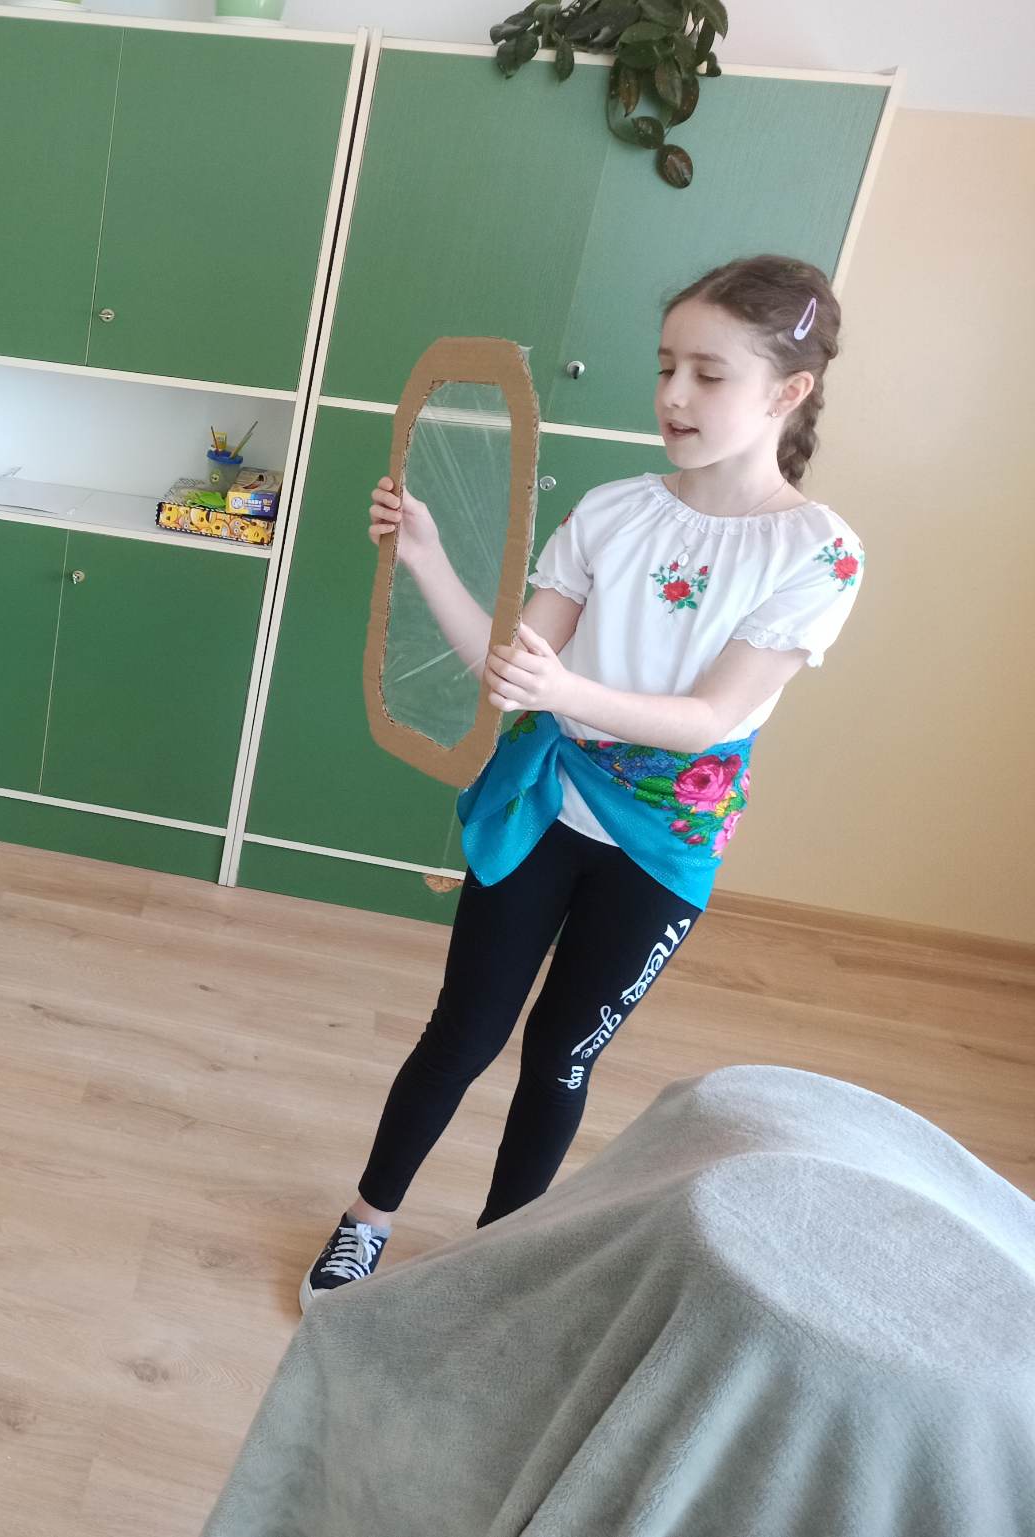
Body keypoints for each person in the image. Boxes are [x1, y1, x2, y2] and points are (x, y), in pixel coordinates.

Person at [302, 255, 866, 1309]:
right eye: (664, 366)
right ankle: (365, 1219)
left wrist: (563, 690)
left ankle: (496, 1266)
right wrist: (424, 555)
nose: (672, 395)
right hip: (545, 805)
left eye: (708, 373)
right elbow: (513, 669)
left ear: (787, 392)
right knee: (461, 1030)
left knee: (560, 1058)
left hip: (660, 846)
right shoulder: (612, 511)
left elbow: (710, 719)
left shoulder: (818, 551)